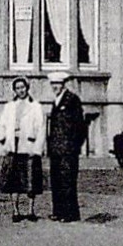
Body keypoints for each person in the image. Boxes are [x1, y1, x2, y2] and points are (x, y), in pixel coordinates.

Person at [0, 76, 45, 222]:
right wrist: (3, 140)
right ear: (14, 90)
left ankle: (30, 210)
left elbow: (41, 128)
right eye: (18, 88)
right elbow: (1, 125)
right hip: (13, 145)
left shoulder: (35, 106)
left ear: (27, 88)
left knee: (30, 179)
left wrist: (37, 148)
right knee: (12, 180)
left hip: (28, 145)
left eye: (23, 87)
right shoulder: (9, 107)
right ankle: (15, 210)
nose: (21, 90)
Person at [46, 71, 86, 223]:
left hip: (68, 149)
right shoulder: (56, 101)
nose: (55, 87)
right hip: (56, 149)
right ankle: (58, 211)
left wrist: (74, 146)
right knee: (56, 180)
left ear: (63, 84)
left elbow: (80, 126)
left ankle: (70, 213)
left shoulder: (72, 99)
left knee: (68, 181)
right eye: (53, 84)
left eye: (58, 84)